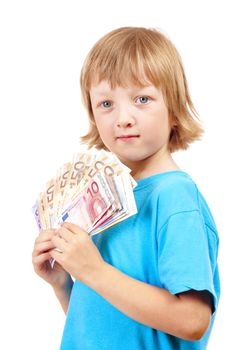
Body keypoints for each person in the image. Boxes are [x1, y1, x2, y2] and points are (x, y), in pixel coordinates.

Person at [32, 27, 220, 349]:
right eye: (106, 103)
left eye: (142, 99)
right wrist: (64, 284)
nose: (123, 118)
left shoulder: (174, 197)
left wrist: (93, 271)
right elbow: (106, 327)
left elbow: (192, 320)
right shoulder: (108, 201)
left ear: (174, 109)